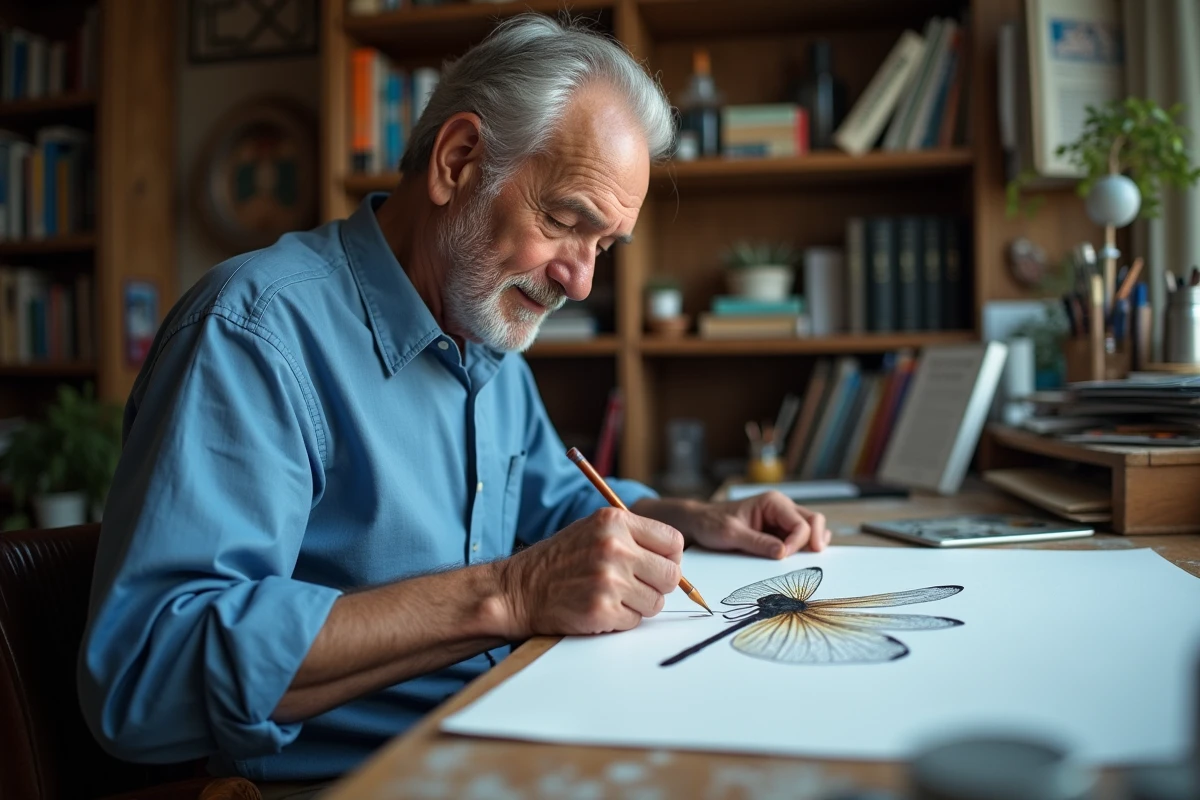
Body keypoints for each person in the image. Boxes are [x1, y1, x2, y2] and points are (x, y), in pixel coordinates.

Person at [78, 13, 829, 786]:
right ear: (458, 160)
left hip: (509, 743)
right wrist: (508, 594)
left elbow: (554, 506)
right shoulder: (254, 334)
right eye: (566, 222)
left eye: (603, 247)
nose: (581, 281)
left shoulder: (485, 330)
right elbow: (146, 678)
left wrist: (695, 518)